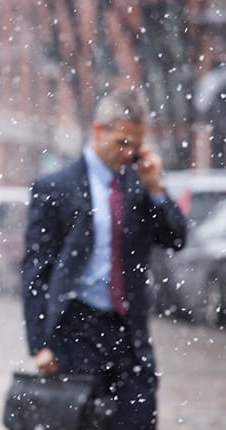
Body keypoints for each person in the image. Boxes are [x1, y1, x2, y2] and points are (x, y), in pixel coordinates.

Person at [20, 88, 187, 429]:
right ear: (100, 131)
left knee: (138, 421)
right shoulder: (55, 187)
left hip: (129, 335)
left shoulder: (139, 186)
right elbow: (36, 271)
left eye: (135, 145)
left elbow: (176, 238)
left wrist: (156, 187)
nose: (128, 153)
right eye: (122, 142)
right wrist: (40, 344)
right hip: (76, 331)